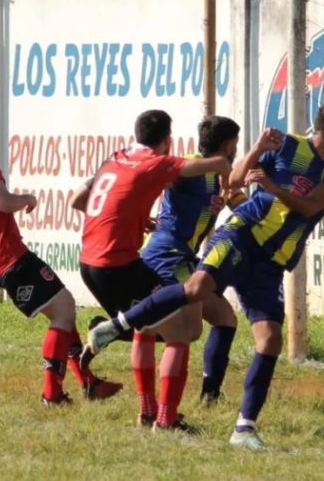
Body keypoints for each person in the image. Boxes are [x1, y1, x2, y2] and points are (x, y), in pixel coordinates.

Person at [85, 103, 324, 449]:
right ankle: (123, 338)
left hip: (273, 259)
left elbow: (307, 205)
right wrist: (258, 149)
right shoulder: (284, 146)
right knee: (191, 307)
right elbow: (236, 177)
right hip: (236, 236)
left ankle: (242, 427)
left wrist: (270, 187)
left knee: (264, 337)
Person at [0, 99, 122, 406]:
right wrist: (27, 198)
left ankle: (88, 383)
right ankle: (52, 395)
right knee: (64, 308)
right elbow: (2, 202)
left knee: (62, 310)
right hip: (8, 256)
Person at [70, 109, 231, 432]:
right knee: (181, 334)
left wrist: (131, 217)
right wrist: (222, 164)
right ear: (167, 140)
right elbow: (193, 166)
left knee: (148, 328)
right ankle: (166, 419)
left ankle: (147, 412)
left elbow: (77, 200)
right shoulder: (157, 163)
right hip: (121, 264)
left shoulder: (115, 158)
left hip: (91, 262)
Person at [139, 115, 243, 405]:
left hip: (184, 257)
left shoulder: (224, 175)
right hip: (166, 254)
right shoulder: (191, 165)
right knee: (189, 330)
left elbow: (242, 205)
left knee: (224, 318)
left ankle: (210, 396)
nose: (237, 147)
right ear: (228, 144)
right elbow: (163, 175)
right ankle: (127, 327)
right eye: (236, 142)